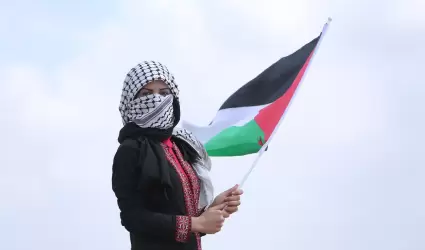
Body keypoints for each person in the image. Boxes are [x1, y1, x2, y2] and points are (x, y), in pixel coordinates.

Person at [112, 61, 243, 250]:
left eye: (164, 93)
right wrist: (196, 224)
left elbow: (181, 215)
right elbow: (133, 217)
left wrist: (214, 209)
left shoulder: (182, 146)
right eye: (146, 94)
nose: (156, 99)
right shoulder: (131, 150)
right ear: (131, 101)